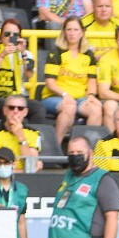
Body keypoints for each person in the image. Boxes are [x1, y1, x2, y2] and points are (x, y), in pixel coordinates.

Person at [43, 16, 104, 146]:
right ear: (64, 32)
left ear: (82, 32)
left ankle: (85, 149)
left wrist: (92, 96)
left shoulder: (89, 55)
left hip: (79, 98)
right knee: (69, 107)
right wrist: (65, 95)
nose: (72, 33)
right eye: (69, 29)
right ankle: (56, 149)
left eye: (76, 29)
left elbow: (91, 81)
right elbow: (50, 82)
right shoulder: (56, 53)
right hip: (55, 96)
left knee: (96, 108)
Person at [0, 94, 43, 172]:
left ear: (25, 112)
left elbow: (30, 164)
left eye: (20, 108)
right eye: (11, 108)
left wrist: (21, 137)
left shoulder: (34, 134)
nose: (15, 111)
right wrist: (25, 171)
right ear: (4, 110)